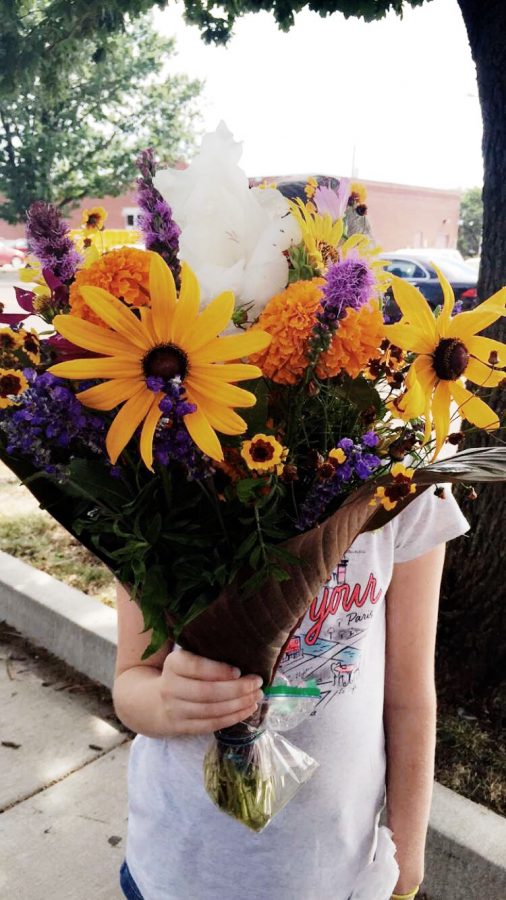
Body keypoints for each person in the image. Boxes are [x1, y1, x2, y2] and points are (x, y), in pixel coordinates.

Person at [113, 485, 469, 900]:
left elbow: (409, 698)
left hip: (332, 871)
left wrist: (405, 866)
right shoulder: (158, 476)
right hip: (179, 869)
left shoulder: (409, 482)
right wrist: (163, 703)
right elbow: (132, 679)